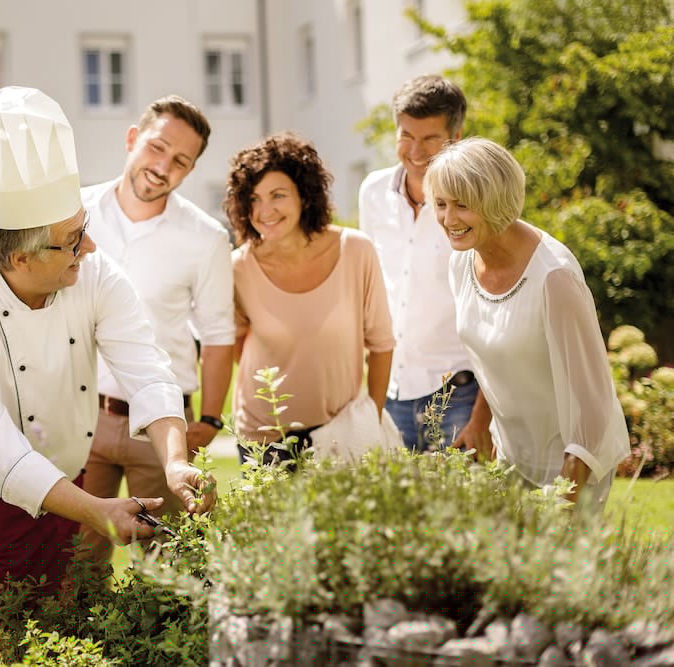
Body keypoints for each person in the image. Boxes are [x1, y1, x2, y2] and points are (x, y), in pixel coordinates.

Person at [0, 86, 217, 638]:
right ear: (23, 257)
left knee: (63, 618)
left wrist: (174, 463)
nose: (91, 249)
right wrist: (95, 510)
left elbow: (146, 368)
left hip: (67, 472)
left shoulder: (95, 276)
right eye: (74, 240)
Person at [423, 137, 630, 509]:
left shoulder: (554, 278)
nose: (448, 220)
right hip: (511, 455)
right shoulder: (462, 261)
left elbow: (594, 400)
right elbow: (495, 351)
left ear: (494, 201)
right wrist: (478, 422)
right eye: (441, 204)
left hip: (575, 458)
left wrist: (565, 492)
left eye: (463, 205)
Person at [78, 95, 234, 563]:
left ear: (188, 171)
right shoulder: (75, 213)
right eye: (156, 147)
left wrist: (208, 419)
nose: (163, 165)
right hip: (79, 419)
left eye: (180, 160)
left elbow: (218, 333)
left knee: (167, 572)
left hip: (162, 430)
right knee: (74, 571)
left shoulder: (205, 238)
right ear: (132, 139)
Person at [225, 132, 395, 464]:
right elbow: (236, 344)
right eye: (254, 199)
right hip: (264, 437)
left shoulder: (356, 251)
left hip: (341, 432)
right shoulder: (239, 268)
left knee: (342, 519)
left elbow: (381, 344)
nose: (265, 210)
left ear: (305, 195)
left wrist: (370, 418)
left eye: (277, 195)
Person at [359, 74, 489, 453]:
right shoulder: (372, 192)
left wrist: (483, 415)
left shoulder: (476, 203)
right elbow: (371, 286)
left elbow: (493, 311)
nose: (415, 151)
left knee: (461, 511)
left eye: (429, 138)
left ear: (456, 136)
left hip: (459, 396)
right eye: (405, 136)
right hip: (390, 390)